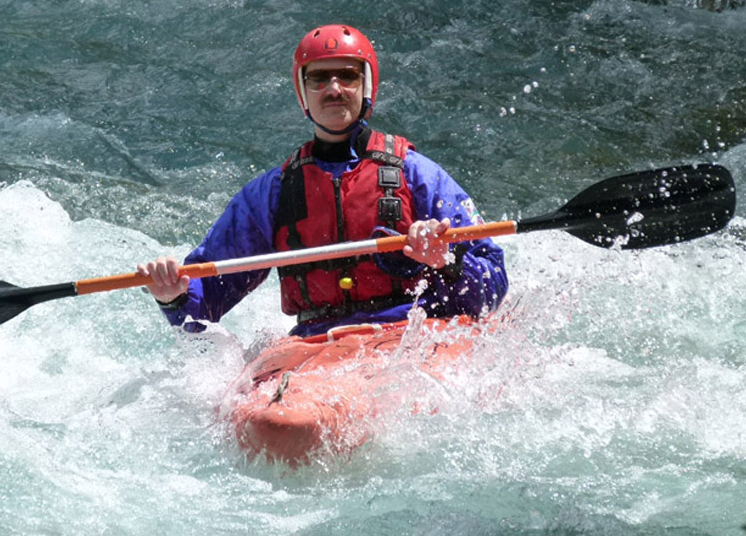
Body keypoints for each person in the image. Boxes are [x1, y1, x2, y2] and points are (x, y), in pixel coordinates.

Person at [138, 24, 508, 337]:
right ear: (303, 92)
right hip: (318, 345)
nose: (334, 89)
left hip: (410, 334)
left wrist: (446, 259)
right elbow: (202, 309)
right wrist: (173, 296)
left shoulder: (419, 176)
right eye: (319, 78)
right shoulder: (272, 194)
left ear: (366, 87)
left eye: (347, 76)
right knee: (279, 425)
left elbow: (492, 288)